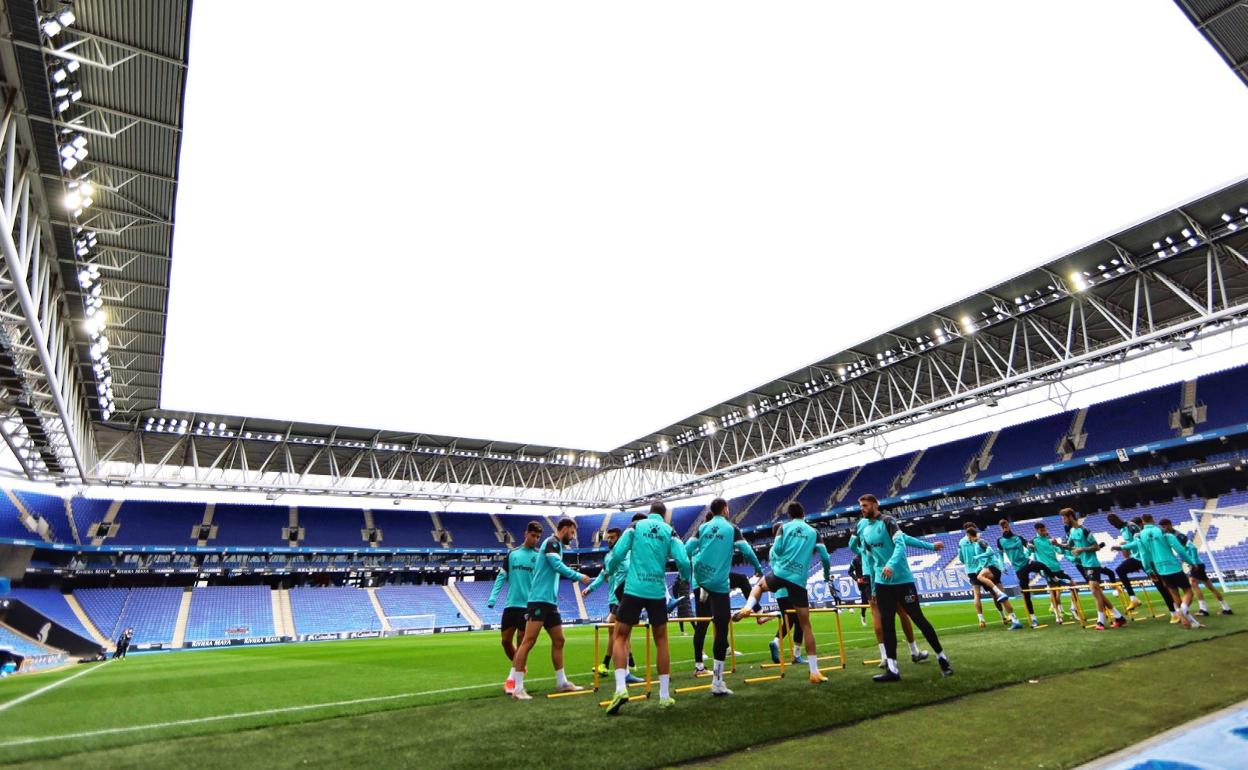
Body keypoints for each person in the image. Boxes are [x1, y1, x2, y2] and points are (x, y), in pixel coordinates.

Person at [604, 502, 691, 714]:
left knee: (620, 636)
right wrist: (685, 579)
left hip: (633, 589)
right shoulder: (670, 531)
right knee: (661, 640)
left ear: (650, 513)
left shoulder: (635, 526)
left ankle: (620, 689)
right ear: (664, 516)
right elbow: (683, 560)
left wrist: (611, 570)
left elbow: (617, 554)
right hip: (656, 592)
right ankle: (664, 696)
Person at [734, 502, 831, 684]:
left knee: (758, 587)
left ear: (789, 515)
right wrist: (826, 574)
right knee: (805, 626)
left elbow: (777, 549)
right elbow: (825, 557)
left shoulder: (783, 528)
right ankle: (814, 672)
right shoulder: (813, 532)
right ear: (803, 514)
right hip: (798, 580)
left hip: (780, 574)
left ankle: (748, 607)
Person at [856, 495, 951, 682]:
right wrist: (874, 587)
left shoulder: (889, 521)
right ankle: (892, 669)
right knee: (887, 624)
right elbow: (870, 559)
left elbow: (902, 543)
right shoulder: (865, 530)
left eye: (865, 505)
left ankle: (942, 658)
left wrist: (930, 547)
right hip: (883, 585)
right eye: (861, 506)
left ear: (875, 504)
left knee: (919, 619)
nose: (862, 509)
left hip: (903, 581)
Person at [684, 498, 762, 696]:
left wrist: (686, 573)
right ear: (726, 510)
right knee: (721, 628)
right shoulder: (731, 528)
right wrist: (758, 567)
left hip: (700, 575)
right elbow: (747, 550)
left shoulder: (702, 528)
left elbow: (686, 551)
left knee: (703, 623)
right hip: (719, 583)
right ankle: (717, 681)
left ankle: (703, 587)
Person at [509, 518, 591, 700]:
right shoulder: (552, 542)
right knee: (528, 642)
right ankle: (518, 688)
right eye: (572, 532)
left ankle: (562, 683)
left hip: (549, 602)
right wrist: (578, 576)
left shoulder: (556, 545)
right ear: (566, 528)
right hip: (539, 600)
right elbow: (556, 565)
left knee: (559, 639)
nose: (573, 536)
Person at [852, 515, 929, 667]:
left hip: (869, 570)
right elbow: (902, 539)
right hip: (883, 567)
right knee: (902, 611)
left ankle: (885, 657)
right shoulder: (883, 521)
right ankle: (914, 651)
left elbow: (851, 544)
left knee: (876, 612)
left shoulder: (860, 525)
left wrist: (863, 553)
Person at [582, 523, 643, 684]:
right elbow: (603, 574)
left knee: (615, 630)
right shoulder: (609, 557)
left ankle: (607, 664)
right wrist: (590, 588)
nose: (609, 540)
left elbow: (630, 569)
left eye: (612, 537)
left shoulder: (629, 554)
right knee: (621, 633)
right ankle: (628, 663)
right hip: (613, 598)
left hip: (625, 597)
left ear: (620, 538)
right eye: (608, 538)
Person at [1117, 513, 1201, 628]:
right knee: (1188, 591)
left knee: (1174, 593)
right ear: (1153, 519)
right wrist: (1191, 563)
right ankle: (1182, 611)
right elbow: (1180, 551)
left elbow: (1144, 555)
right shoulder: (1162, 531)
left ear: (1143, 522)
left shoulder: (1140, 536)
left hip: (1160, 569)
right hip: (1174, 567)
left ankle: (1185, 620)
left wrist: (1149, 571)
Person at [487, 520, 542, 694]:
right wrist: (493, 597)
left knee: (521, 643)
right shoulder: (512, 554)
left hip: (528, 606)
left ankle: (512, 679)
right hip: (511, 605)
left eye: (538, 537)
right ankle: (520, 666)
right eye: (533, 535)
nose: (535, 539)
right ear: (526, 534)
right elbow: (501, 577)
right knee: (505, 642)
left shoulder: (539, 556)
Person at [1059, 509, 1126, 630]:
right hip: (1085, 565)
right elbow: (1069, 546)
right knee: (1097, 593)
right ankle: (1119, 617)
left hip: (1093, 564)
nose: (1063, 520)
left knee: (1095, 591)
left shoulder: (1084, 530)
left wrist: (1081, 549)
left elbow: (1096, 547)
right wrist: (1057, 544)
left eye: (1064, 518)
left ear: (1070, 517)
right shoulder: (1072, 531)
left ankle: (1100, 621)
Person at [1163, 521, 1232, 617]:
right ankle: (1226, 608)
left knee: (1193, 583)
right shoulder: (1171, 535)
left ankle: (1204, 610)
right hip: (1198, 564)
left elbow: (1193, 548)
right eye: (1162, 526)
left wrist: (1193, 562)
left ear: (1169, 525)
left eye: (1165, 526)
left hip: (1197, 565)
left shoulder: (1179, 536)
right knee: (1209, 586)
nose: (1164, 528)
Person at [966, 528, 1023, 630]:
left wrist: (978, 556)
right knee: (1004, 598)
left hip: (993, 567)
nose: (968, 538)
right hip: (991, 568)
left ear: (970, 535)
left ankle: (998, 593)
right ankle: (1015, 620)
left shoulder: (980, 541)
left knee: (980, 577)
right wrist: (979, 567)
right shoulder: (977, 543)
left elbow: (990, 552)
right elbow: (984, 560)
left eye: (968, 536)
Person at [1027, 521, 1080, 624]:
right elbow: (1029, 552)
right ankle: (1057, 615)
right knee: (1054, 592)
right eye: (1042, 530)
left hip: (1057, 568)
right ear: (1037, 531)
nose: (1044, 531)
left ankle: (1073, 608)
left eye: (1045, 529)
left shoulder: (1049, 539)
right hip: (1047, 570)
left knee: (1074, 586)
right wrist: (1029, 547)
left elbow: (1060, 551)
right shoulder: (1034, 541)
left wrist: (1057, 545)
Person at [1106, 513, 1149, 614]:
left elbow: (1139, 541)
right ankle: (1133, 599)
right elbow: (1130, 544)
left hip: (1144, 557)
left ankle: (1176, 608)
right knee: (1120, 570)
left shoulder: (1131, 526)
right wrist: (1126, 550)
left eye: (1114, 522)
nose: (1114, 525)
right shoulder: (1122, 530)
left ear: (1118, 519)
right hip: (1137, 557)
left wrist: (1121, 547)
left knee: (1160, 582)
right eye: (1111, 524)